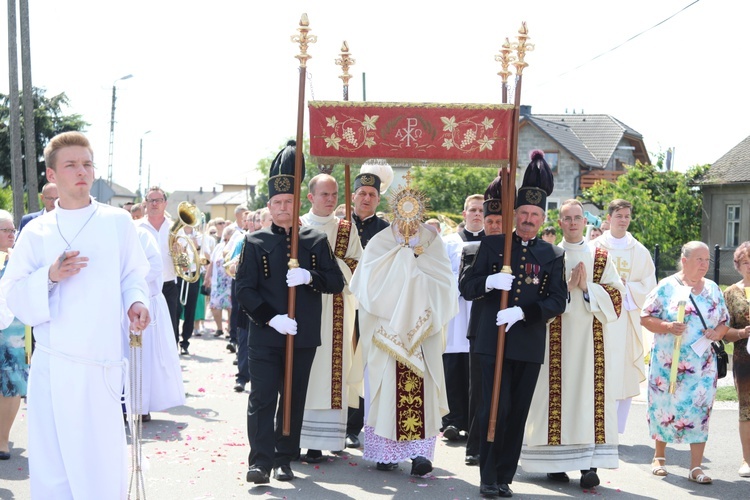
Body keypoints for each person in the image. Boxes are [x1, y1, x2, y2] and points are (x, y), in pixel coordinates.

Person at [0, 131, 150, 498]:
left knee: (101, 459)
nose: (81, 171)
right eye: (71, 165)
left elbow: (133, 274)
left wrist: (136, 303)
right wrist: (49, 277)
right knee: (54, 461)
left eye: (87, 163)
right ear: (52, 175)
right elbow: (11, 295)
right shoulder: (36, 231)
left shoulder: (117, 222)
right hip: (55, 364)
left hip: (102, 363)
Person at [236, 140, 345, 485]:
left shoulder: (314, 239)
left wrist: (310, 276)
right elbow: (244, 291)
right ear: (269, 206)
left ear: (298, 203)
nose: (284, 207)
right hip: (266, 333)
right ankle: (260, 462)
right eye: (277, 202)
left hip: (302, 334)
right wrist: (271, 317)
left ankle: (285, 458)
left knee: (293, 400)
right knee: (262, 397)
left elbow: (336, 282)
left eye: (289, 202)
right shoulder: (255, 242)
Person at [459, 150, 566, 498]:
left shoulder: (552, 255)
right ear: (514, 214)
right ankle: (487, 476)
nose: (529, 219)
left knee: (517, 412)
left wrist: (524, 312)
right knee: (494, 409)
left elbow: (557, 300)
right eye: (524, 213)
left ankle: (505, 475)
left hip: (528, 343)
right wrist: (490, 283)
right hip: (491, 341)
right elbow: (467, 287)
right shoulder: (491, 246)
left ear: (541, 218)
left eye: (535, 214)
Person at [350, 174, 457, 476]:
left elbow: (445, 284)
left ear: (421, 211)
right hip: (386, 330)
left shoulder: (431, 241)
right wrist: (403, 267)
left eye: (415, 211)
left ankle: (419, 455)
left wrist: (413, 274)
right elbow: (367, 287)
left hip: (422, 334)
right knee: (385, 392)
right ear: (396, 209)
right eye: (403, 209)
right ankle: (385, 453)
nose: (409, 217)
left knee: (421, 394)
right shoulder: (380, 242)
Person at [520, 199, 625, 489]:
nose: (573, 223)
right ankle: (555, 463)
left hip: (592, 342)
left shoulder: (601, 256)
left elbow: (617, 299)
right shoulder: (546, 254)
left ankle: (589, 464)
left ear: (585, 221)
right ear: (560, 221)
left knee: (588, 398)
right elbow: (530, 298)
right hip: (554, 339)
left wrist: (587, 288)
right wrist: (564, 289)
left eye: (577, 217)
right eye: (567, 218)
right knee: (555, 396)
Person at [640, 241, 729, 485]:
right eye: (699, 259)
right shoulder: (666, 287)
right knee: (664, 407)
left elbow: (725, 321)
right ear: (684, 260)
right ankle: (659, 457)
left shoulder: (712, 288)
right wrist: (667, 326)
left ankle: (696, 466)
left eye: (707, 260)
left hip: (703, 366)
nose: (704, 264)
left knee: (700, 412)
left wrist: (717, 333)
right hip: (668, 365)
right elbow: (645, 317)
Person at [298, 173, 362, 461]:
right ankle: (296, 438)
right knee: (305, 372)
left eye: (335, 194)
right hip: (304, 306)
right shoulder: (297, 225)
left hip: (337, 307)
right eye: (325, 194)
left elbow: (357, 265)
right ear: (311, 197)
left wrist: (329, 264)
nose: (331, 200)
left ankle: (326, 438)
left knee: (332, 370)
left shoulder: (348, 229)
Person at [591, 199, 656, 434]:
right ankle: (595, 425)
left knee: (625, 371)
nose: (624, 220)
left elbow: (650, 285)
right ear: (609, 218)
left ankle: (617, 429)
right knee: (598, 370)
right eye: (619, 216)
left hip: (626, 318)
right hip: (599, 319)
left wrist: (626, 287)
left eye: (627, 216)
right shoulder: (595, 247)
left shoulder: (638, 250)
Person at [346, 161, 393, 449]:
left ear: (378, 199)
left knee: (365, 364)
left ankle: (356, 425)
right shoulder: (340, 226)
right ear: (353, 196)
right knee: (343, 361)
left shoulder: (386, 231)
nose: (366, 198)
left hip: (372, 306)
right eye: (362, 193)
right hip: (341, 304)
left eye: (372, 195)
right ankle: (339, 422)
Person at [460, 195, 503, 467]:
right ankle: (474, 445)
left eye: (499, 221)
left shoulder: (517, 250)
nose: (494, 226)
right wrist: (489, 281)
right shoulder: (473, 250)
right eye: (489, 221)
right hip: (482, 328)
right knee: (480, 391)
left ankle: (501, 444)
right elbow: (466, 288)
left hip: (514, 328)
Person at [128, 224, 186, 421]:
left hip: (146, 301)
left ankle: (141, 406)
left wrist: (129, 283)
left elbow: (155, 266)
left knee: (145, 357)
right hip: (119, 305)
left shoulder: (142, 234)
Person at [441, 194, 486, 444]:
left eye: (481, 210)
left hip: (479, 312)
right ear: (464, 214)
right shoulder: (448, 243)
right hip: (454, 312)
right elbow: (438, 274)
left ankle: (472, 422)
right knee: (453, 366)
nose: (477, 214)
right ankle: (451, 421)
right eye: (473, 210)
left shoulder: (493, 243)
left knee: (475, 368)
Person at [721, 241, 750, 477]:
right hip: (744, 358)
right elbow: (722, 331)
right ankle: (747, 459)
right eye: (746, 262)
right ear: (738, 265)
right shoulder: (730, 293)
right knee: (746, 409)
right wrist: (741, 333)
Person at [138, 187, 181, 345]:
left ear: (165, 203)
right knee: (146, 332)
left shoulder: (175, 229)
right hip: (144, 286)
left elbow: (186, 264)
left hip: (168, 285)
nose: (155, 204)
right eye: (151, 200)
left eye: (159, 200)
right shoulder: (136, 227)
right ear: (146, 204)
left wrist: (180, 254)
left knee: (170, 331)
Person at [0, 211, 24, 461]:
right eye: (5, 230)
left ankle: (3, 439)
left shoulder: (19, 259)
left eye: (12, 230)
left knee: (12, 383)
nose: (11, 234)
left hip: (14, 331)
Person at [205, 225, 234, 337]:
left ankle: (229, 329)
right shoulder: (219, 247)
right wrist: (207, 277)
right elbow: (212, 262)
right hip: (217, 282)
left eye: (228, 239)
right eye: (225, 239)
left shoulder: (234, 247)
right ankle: (219, 328)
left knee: (230, 307)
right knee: (214, 306)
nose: (226, 241)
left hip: (230, 282)